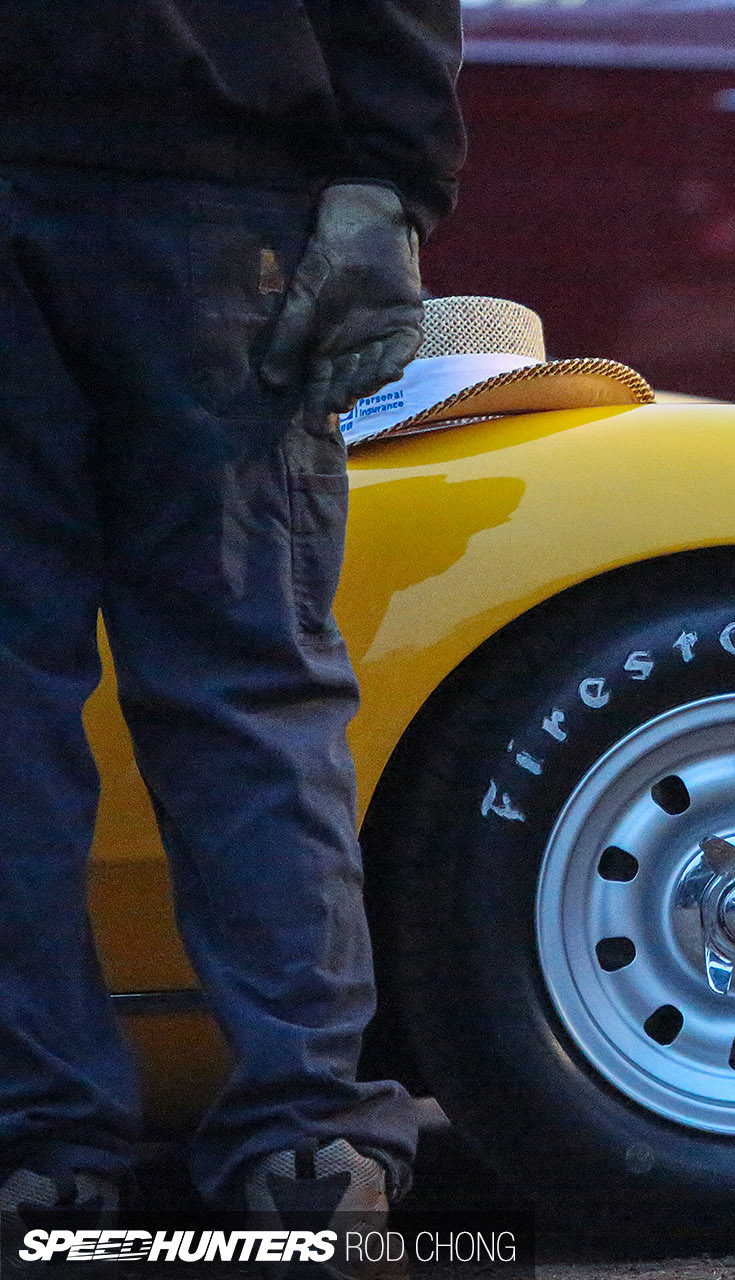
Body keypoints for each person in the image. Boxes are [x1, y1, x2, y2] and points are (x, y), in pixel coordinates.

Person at [0, 0, 464, 1240]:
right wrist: (387, 177)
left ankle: (38, 1146)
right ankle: (301, 1137)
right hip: (217, 181)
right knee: (243, 677)